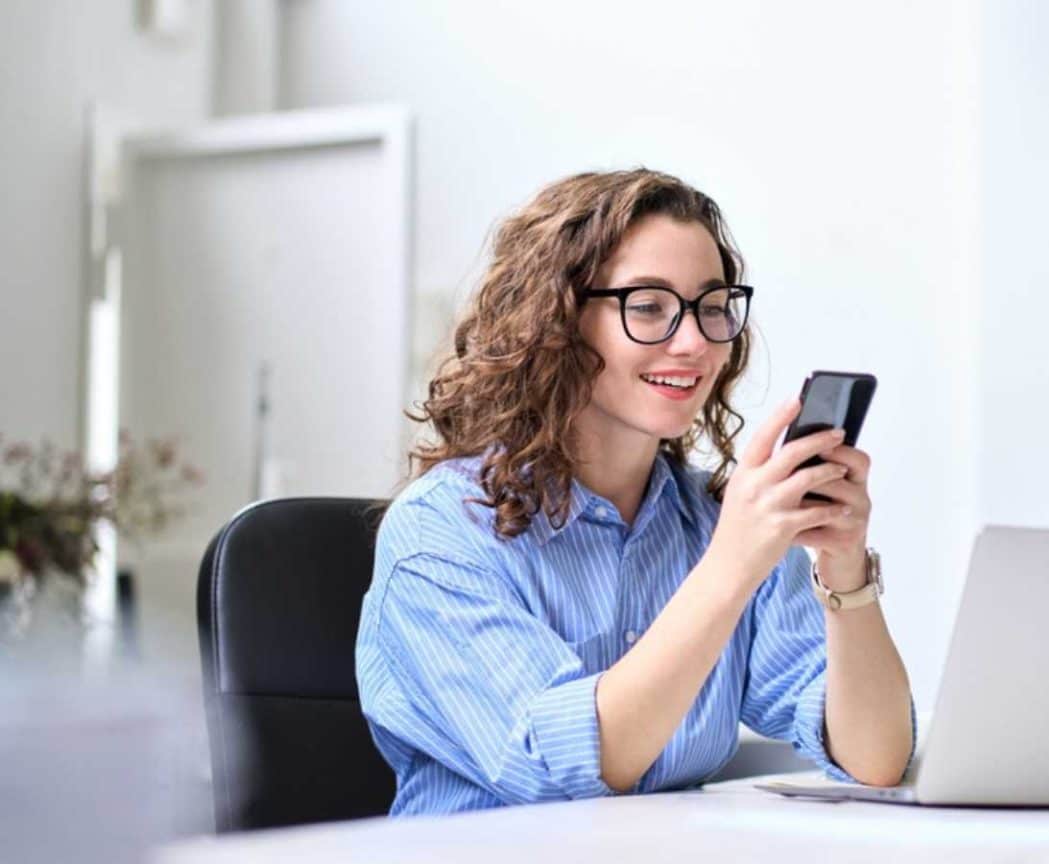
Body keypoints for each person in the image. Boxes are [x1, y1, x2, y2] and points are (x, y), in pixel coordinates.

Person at [356, 168, 915, 815]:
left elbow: (875, 758)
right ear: (557, 320)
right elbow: (567, 770)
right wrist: (731, 566)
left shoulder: (713, 520)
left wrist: (843, 567)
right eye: (648, 306)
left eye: (711, 307)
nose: (694, 342)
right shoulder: (437, 534)